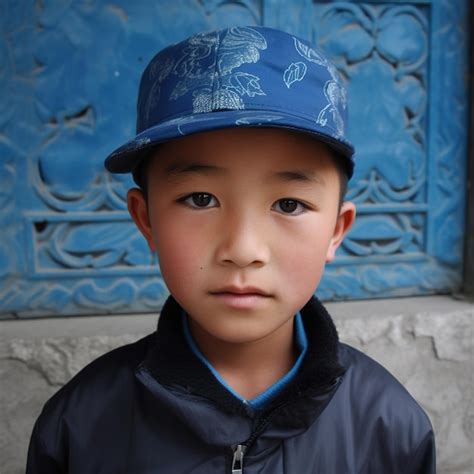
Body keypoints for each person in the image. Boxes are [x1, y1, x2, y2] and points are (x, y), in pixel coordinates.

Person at [26, 26, 435, 473]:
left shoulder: (391, 430)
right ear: (146, 219)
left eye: (289, 204)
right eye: (200, 199)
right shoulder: (81, 425)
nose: (243, 250)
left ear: (337, 230)